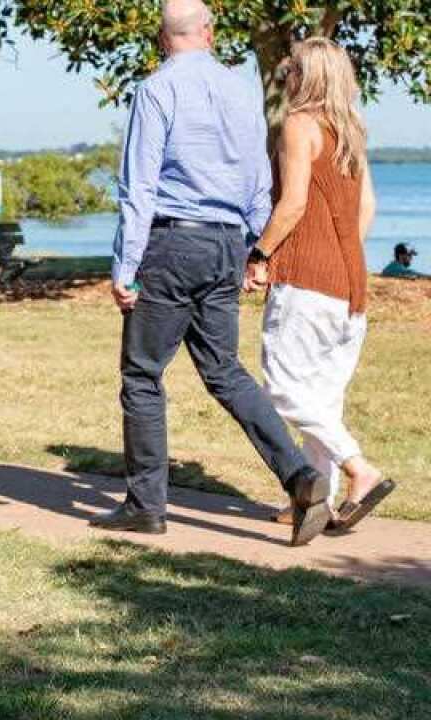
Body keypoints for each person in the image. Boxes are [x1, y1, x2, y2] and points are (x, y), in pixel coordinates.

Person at [94, 0, 330, 546]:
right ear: (209, 32)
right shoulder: (240, 90)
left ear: (162, 37)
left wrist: (125, 267)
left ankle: (145, 507)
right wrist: (257, 252)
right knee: (224, 370)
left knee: (142, 374)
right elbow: (258, 182)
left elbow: (139, 186)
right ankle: (300, 474)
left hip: (172, 243)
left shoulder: (156, 90)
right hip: (225, 242)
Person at [246, 38, 397, 531]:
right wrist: (340, 255)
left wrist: (260, 254)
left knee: (283, 389)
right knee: (321, 398)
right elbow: (367, 207)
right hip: (351, 285)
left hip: (306, 282)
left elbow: (291, 204)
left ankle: (359, 469)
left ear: (305, 76)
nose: (283, 75)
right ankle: (315, 502)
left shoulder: (299, 125)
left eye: (290, 69)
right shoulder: (350, 129)